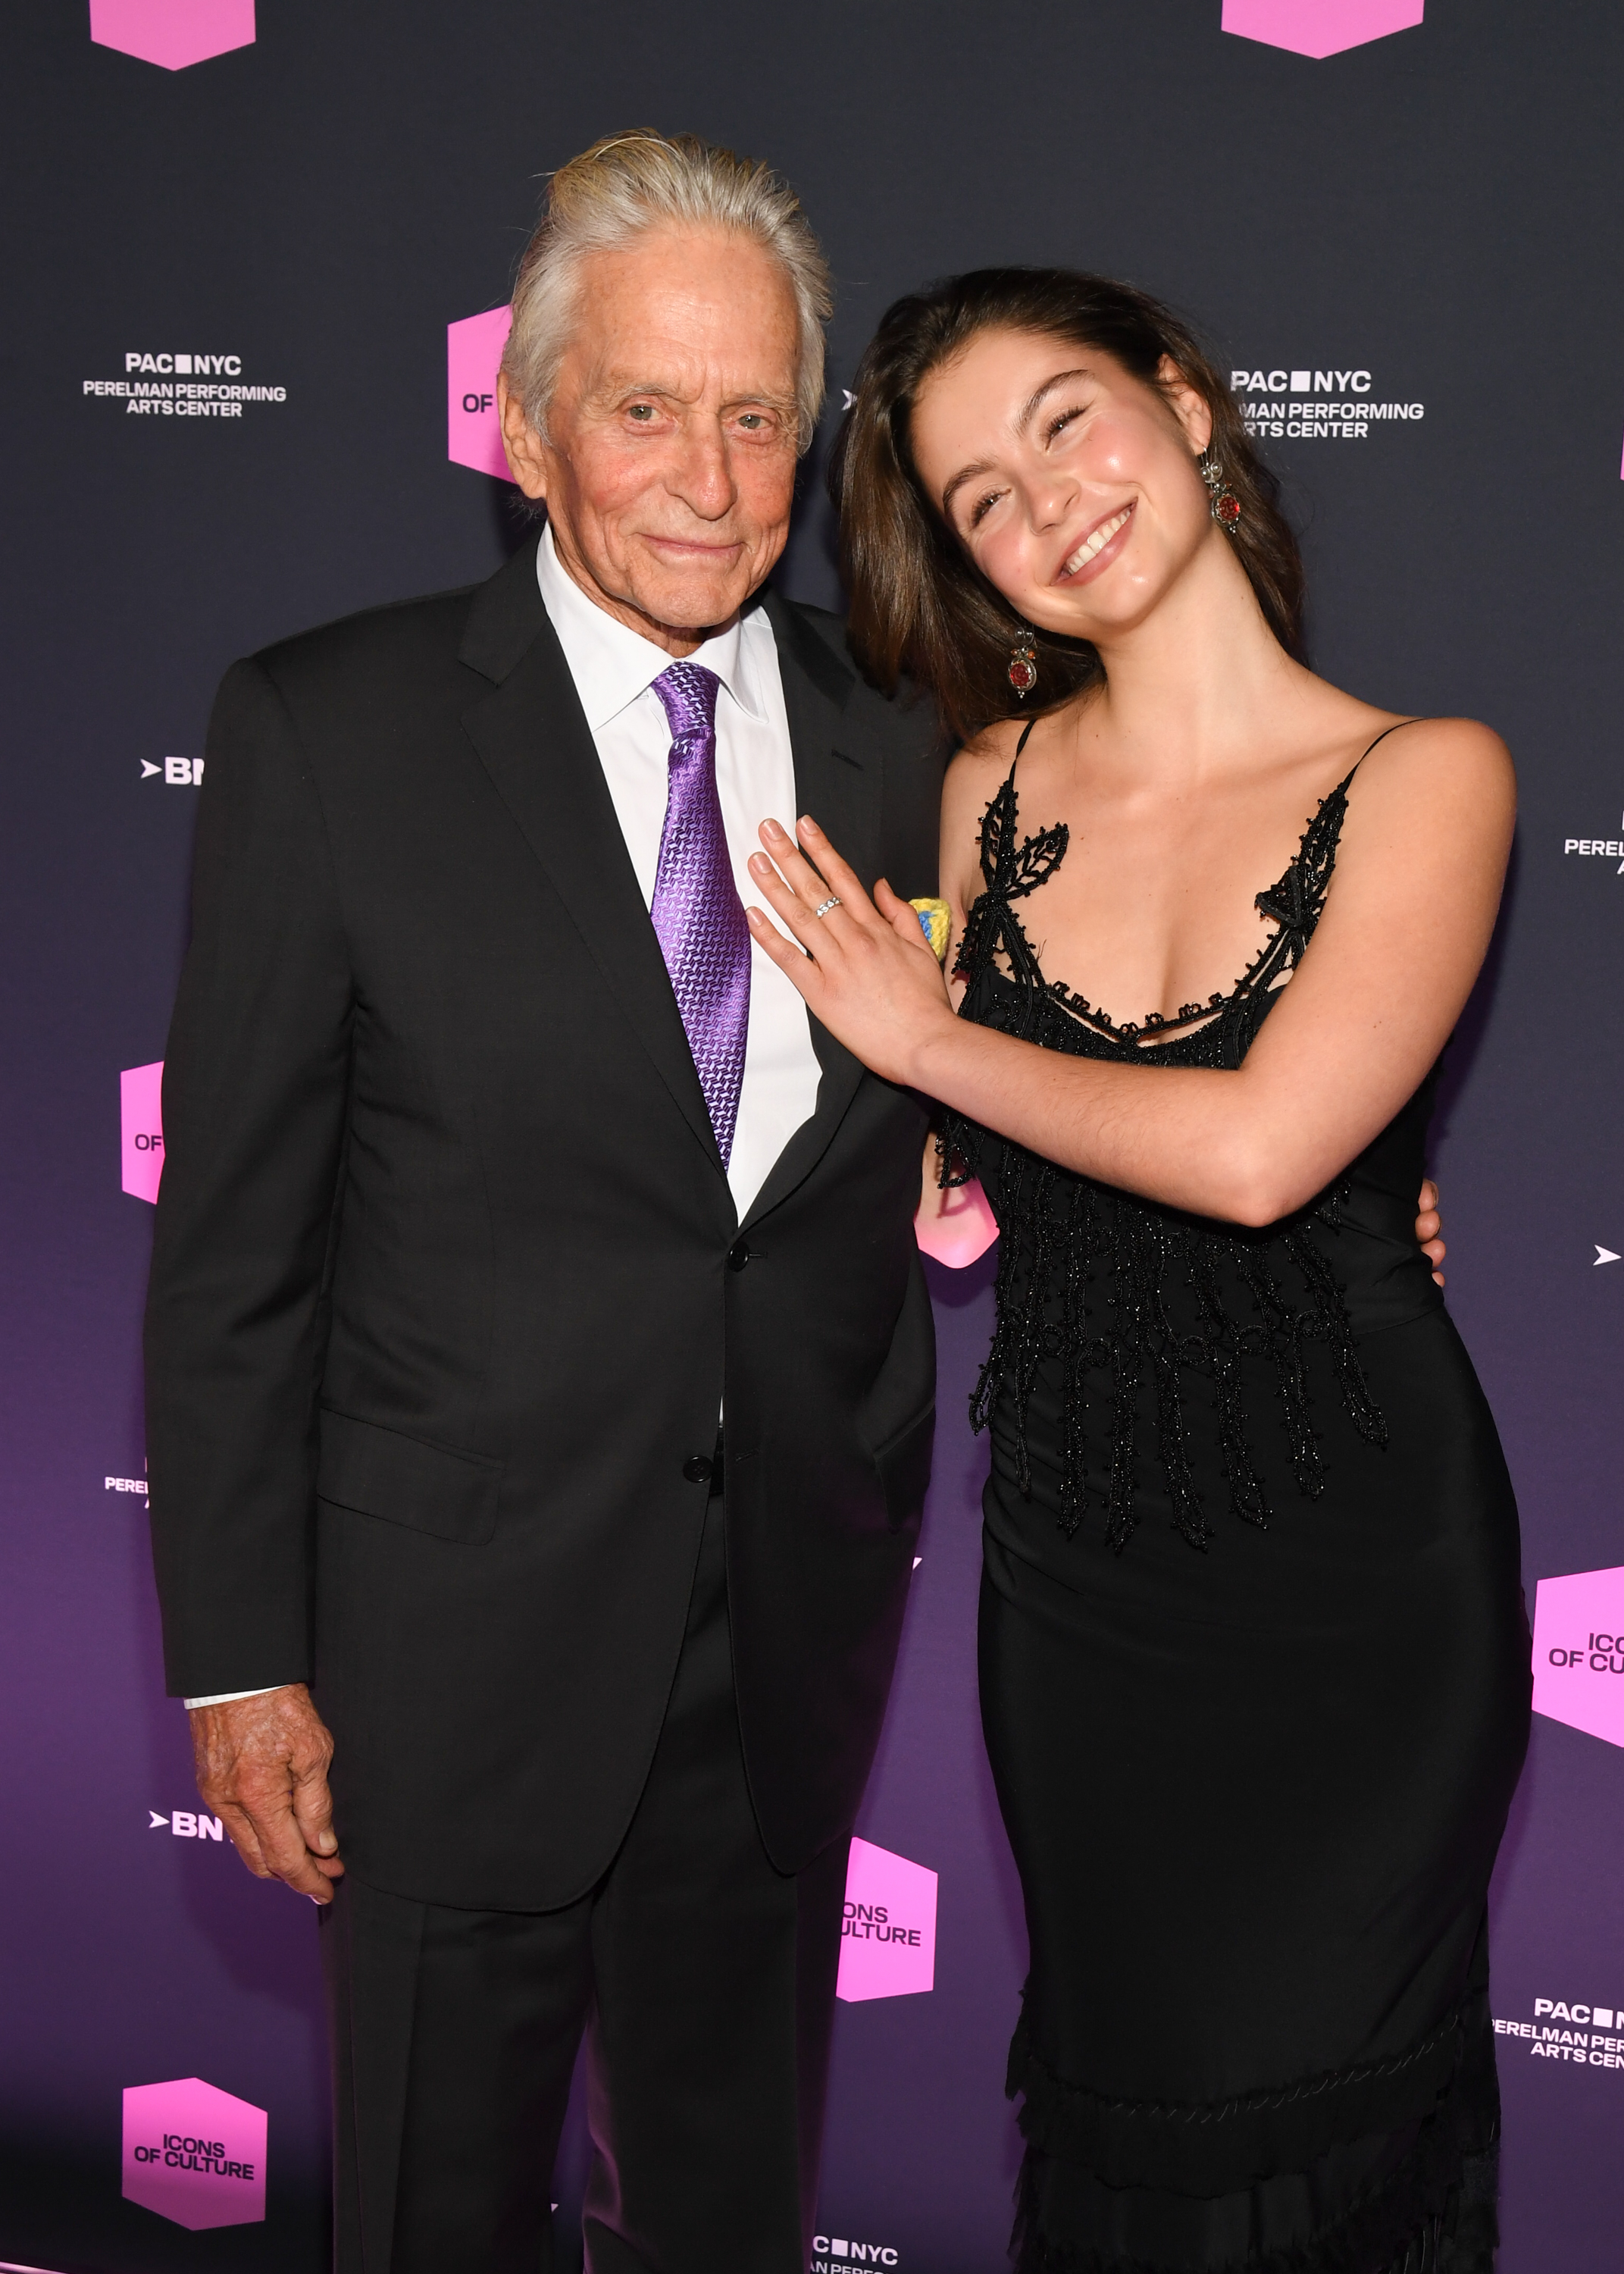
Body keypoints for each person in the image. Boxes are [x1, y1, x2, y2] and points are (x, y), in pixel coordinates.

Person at [142, 133, 946, 2274]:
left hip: (773, 1657)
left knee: (727, 2222)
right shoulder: (332, 731)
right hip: (443, 1667)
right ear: (524, 426)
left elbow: (1007, 1095)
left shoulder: (906, 743)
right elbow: (233, 1247)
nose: (708, 474)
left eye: (758, 412)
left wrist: (1326, 1216)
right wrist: (237, 1658)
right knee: (431, 2225)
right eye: (645, 407)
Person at [742, 269, 1529, 2274]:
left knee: (1339, 2139)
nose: (1046, 503)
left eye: (1070, 420)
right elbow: (1024, 1140)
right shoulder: (986, 793)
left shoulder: (1430, 775)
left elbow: (1263, 1154)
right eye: (982, 496)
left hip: (1360, 1583)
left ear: (1185, 408)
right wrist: (951, 1165)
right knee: (1130, 2114)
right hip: (1082, 1579)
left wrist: (932, 1048)